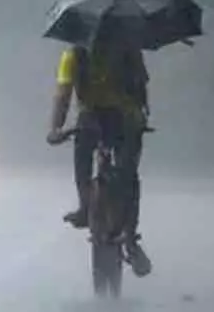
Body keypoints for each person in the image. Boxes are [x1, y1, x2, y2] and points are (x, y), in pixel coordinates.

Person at [46, 20, 152, 276]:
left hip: (102, 118)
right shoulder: (128, 49)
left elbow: (63, 93)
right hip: (119, 119)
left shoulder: (74, 54)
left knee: (91, 159)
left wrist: (56, 129)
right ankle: (128, 237)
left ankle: (90, 210)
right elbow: (142, 89)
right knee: (128, 174)